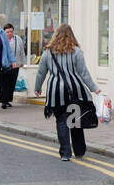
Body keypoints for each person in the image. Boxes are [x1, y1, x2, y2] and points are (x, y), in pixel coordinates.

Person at [32, 24, 101, 161]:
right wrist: (94, 88)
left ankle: (65, 153)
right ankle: (79, 150)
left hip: (56, 92)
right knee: (75, 121)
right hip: (74, 91)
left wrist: (37, 88)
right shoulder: (76, 51)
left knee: (62, 121)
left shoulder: (48, 52)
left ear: (56, 35)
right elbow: (83, 73)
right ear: (71, 35)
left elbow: (41, 73)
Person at [0, 23, 21, 108]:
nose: (9, 34)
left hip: (15, 65)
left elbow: (22, 50)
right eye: (7, 32)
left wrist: (22, 61)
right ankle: (3, 101)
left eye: (11, 31)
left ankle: (8, 100)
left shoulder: (17, 39)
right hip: (4, 65)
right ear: (4, 32)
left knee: (12, 83)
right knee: (4, 84)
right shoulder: (1, 40)